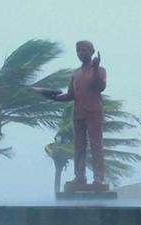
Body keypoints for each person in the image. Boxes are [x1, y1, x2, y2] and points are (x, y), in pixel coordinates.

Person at [53, 40, 107, 187]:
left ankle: (98, 178)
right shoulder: (75, 74)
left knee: (96, 145)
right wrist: (54, 97)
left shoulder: (100, 70)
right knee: (79, 146)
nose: (80, 53)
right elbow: (70, 95)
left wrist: (95, 68)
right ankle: (80, 177)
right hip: (78, 114)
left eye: (84, 50)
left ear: (91, 52)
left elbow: (100, 86)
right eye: (78, 51)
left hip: (94, 112)